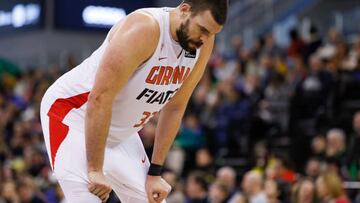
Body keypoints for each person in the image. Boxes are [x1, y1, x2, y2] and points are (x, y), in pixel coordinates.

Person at [39, 1, 228, 203]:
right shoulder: (145, 28)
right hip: (74, 116)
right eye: (202, 29)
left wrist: (155, 172)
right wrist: (95, 169)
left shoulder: (203, 42)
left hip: (120, 132)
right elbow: (100, 97)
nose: (204, 39)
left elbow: (175, 107)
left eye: (211, 33)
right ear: (184, 10)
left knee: (153, 199)